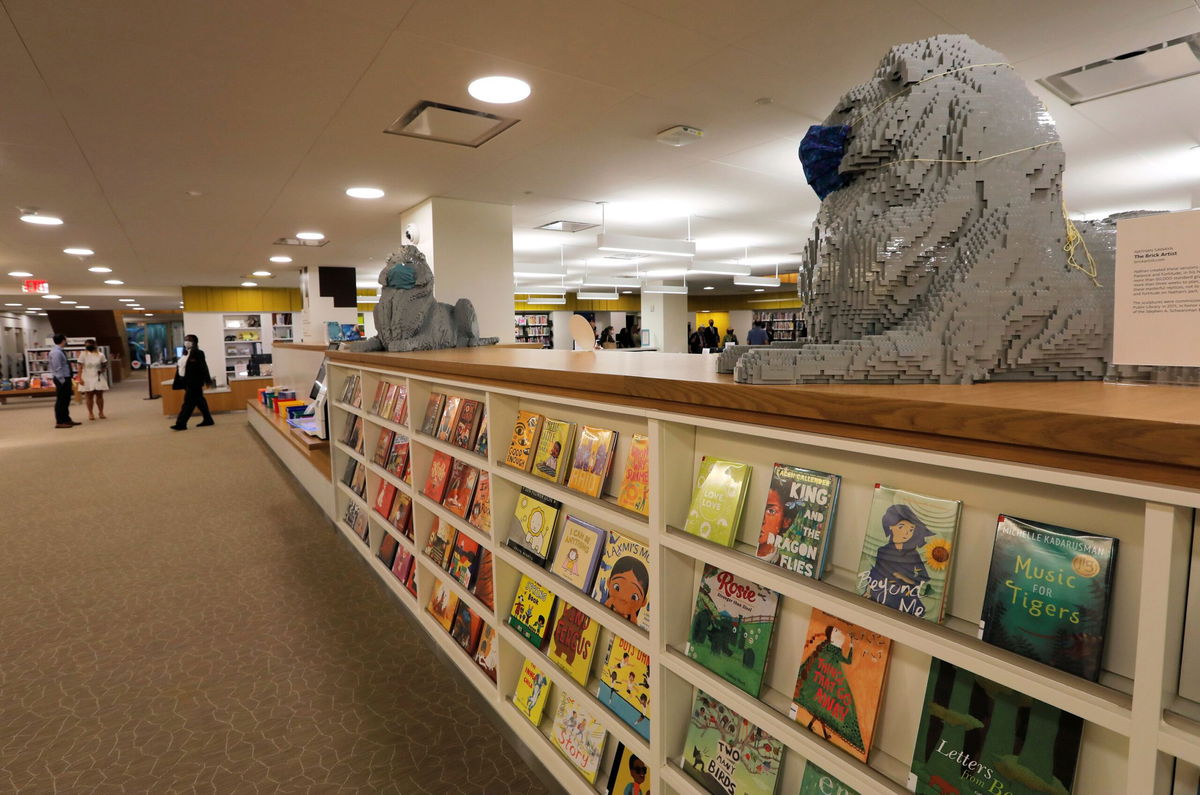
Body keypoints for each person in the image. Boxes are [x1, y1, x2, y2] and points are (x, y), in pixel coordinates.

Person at [171, 334, 215, 430]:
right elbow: (181, 368)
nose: (187, 341)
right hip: (186, 382)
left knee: (188, 403)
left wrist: (208, 380)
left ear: (195, 342)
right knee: (200, 401)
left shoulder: (198, 353)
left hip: (194, 383)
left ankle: (181, 423)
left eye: (189, 340)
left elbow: (203, 367)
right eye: (185, 339)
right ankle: (208, 419)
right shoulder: (184, 353)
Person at [49, 334, 79, 429]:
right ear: (63, 340)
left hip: (65, 378)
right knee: (61, 400)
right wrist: (62, 380)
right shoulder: (56, 352)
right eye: (66, 339)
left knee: (66, 400)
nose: (66, 341)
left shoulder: (59, 351)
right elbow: (57, 367)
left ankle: (66, 419)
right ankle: (60, 421)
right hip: (61, 379)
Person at [77, 339, 109, 420]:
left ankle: (101, 412)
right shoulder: (83, 354)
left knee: (99, 395)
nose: (88, 346)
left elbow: (105, 364)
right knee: (89, 395)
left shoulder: (100, 355)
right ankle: (90, 413)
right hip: (87, 376)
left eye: (89, 345)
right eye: (86, 345)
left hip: (97, 376)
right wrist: (79, 378)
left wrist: (102, 370)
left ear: (94, 345)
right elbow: (80, 366)